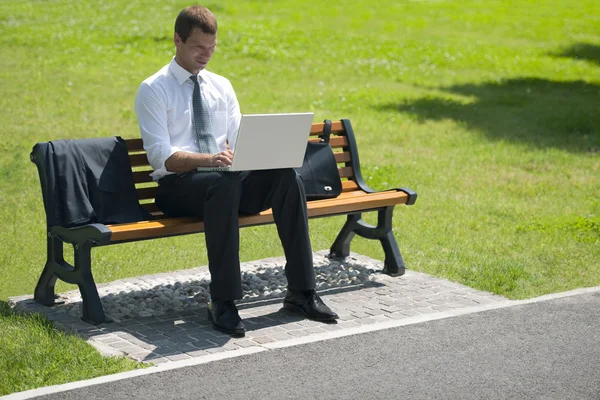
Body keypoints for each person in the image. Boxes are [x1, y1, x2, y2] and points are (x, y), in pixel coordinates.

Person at [135, 5, 338, 336]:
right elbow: (162, 157)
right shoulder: (154, 89)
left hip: (224, 182)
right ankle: (224, 301)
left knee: (286, 176)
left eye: (211, 49)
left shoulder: (222, 86)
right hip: (178, 188)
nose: (205, 55)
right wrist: (209, 159)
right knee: (225, 185)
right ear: (177, 40)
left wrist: (261, 155)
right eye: (198, 47)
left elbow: (240, 142)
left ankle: (302, 292)